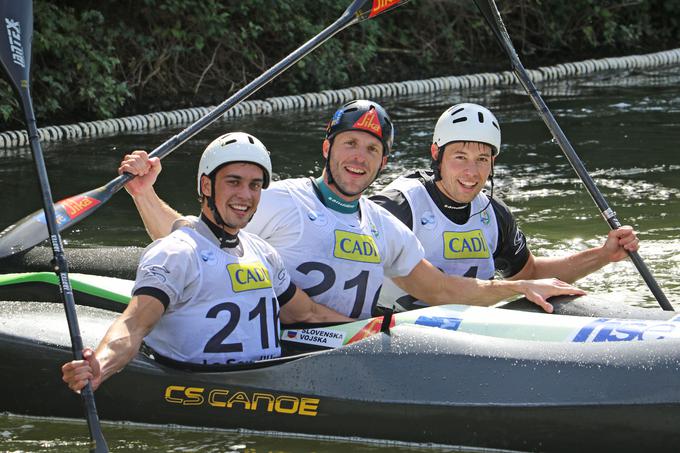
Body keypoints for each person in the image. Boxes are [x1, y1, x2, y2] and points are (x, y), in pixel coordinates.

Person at [112, 99, 585, 320]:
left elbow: (440, 288)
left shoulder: (383, 225)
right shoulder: (281, 197)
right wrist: (144, 193)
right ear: (327, 148)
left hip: (343, 343)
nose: (359, 158)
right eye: (350, 144)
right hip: (275, 344)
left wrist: (519, 286)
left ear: (384, 162)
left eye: (372, 150)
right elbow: (189, 237)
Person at [62, 132, 352, 392]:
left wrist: (376, 329)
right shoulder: (176, 252)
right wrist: (100, 365)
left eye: (255, 185)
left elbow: (308, 313)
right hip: (205, 392)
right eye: (233, 182)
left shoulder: (263, 253)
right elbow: (134, 325)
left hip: (265, 385)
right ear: (206, 185)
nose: (245, 195)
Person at [370, 103, 640, 310]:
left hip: (465, 336)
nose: (471, 172)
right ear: (436, 154)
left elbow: (531, 274)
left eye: (482, 159)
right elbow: (440, 291)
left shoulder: (494, 215)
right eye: (460, 157)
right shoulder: (398, 206)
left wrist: (604, 255)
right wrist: (519, 287)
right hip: (393, 334)